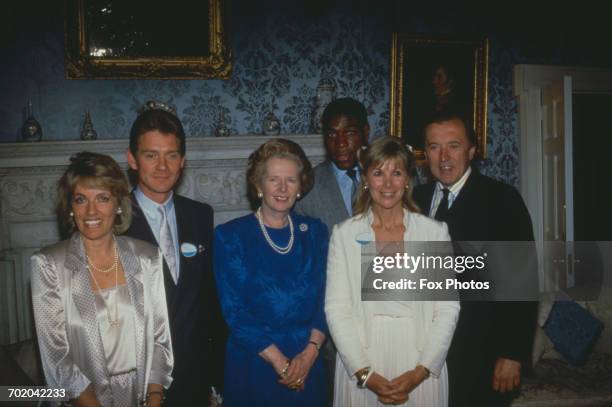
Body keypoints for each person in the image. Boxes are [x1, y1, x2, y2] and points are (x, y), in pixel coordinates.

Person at [413, 112, 537, 407]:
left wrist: (512, 353)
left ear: (472, 150)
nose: (443, 156)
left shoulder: (502, 199)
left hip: (482, 355)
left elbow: (522, 280)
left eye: (453, 145)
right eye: (434, 146)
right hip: (423, 354)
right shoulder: (415, 198)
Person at [326, 136, 460, 406]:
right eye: (378, 173)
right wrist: (366, 375)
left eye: (396, 173)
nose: (387, 184)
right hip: (362, 362)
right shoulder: (344, 234)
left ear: (408, 179)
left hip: (420, 361)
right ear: (365, 178)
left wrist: (420, 372)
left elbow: (447, 308)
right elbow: (336, 310)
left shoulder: (433, 233)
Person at [31, 152, 173, 407]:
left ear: (118, 204)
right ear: (71, 208)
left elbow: (160, 340)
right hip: (81, 400)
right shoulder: (48, 264)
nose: (91, 211)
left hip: (141, 395)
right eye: (81, 199)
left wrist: (154, 398)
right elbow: (57, 359)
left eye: (103, 198)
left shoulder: (147, 257)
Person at [124, 104, 226, 406]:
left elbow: (209, 302)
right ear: (132, 159)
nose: (162, 166)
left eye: (171, 155)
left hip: (194, 377)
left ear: (182, 161)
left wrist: (214, 379)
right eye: (151, 155)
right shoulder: (115, 220)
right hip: (138, 379)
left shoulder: (199, 215)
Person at [214, 138, 329, 406]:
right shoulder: (230, 236)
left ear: (300, 187)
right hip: (254, 364)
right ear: (258, 185)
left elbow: (327, 299)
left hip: (308, 360)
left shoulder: (314, 232)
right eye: (273, 179)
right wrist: (281, 363)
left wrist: (309, 355)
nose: (282, 188)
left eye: (290, 180)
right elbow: (235, 312)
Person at [295, 97, 370, 233]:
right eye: (332, 134)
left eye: (349, 133)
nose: (340, 143)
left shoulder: (394, 178)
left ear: (365, 132)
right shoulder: (307, 186)